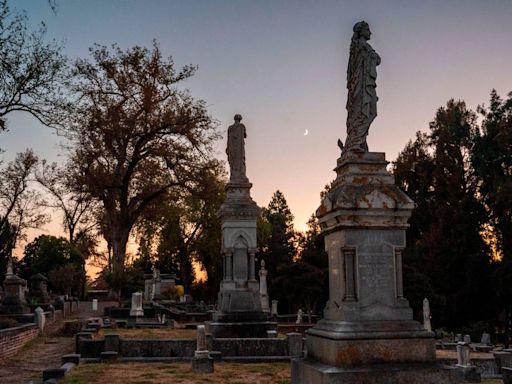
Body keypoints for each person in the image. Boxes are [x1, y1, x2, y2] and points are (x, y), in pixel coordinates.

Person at [344, 21, 381, 153]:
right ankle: (355, 142)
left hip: (364, 85)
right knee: (365, 112)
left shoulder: (360, 47)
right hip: (361, 86)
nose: (370, 32)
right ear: (361, 31)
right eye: (368, 29)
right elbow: (377, 59)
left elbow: (377, 60)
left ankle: (357, 141)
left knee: (367, 112)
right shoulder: (362, 47)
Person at [226, 114, 248, 182]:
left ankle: (234, 176)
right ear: (240, 119)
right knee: (241, 161)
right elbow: (245, 135)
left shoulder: (230, 128)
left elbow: (228, 139)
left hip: (232, 148)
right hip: (240, 148)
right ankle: (241, 175)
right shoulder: (241, 126)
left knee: (233, 161)